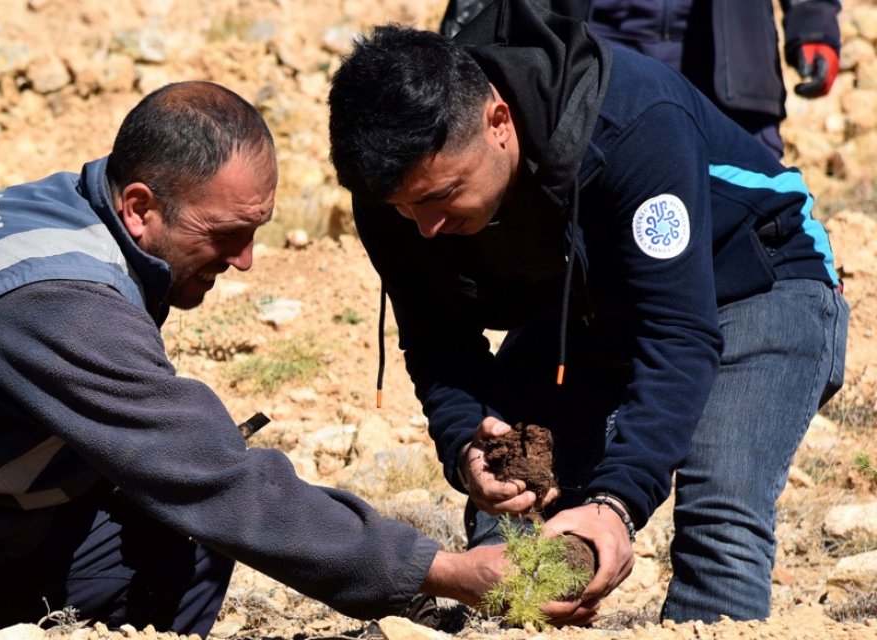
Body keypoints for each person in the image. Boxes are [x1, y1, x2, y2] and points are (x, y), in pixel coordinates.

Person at [0, 81, 540, 635]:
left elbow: (187, 482)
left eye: (257, 231)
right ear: (140, 206)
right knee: (199, 488)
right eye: (227, 236)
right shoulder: (52, 294)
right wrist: (438, 569)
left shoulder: (86, 221)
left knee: (181, 529)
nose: (246, 261)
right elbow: (206, 471)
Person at [327, 0, 847, 625]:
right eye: (407, 208)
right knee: (512, 488)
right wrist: (467, 442)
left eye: (443, 196)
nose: (427, 227)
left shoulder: (632, 122)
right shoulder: (397, 193)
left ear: (499, 121)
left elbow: (678, 333)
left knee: (719, 508)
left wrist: (616, 504)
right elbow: (439, 339)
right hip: (588, 303)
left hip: (755, 280)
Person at [440, 0, 841, 158]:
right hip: (597, 40)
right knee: (590, 215)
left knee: (750, 207)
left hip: (728, 52)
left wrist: (814, 23)